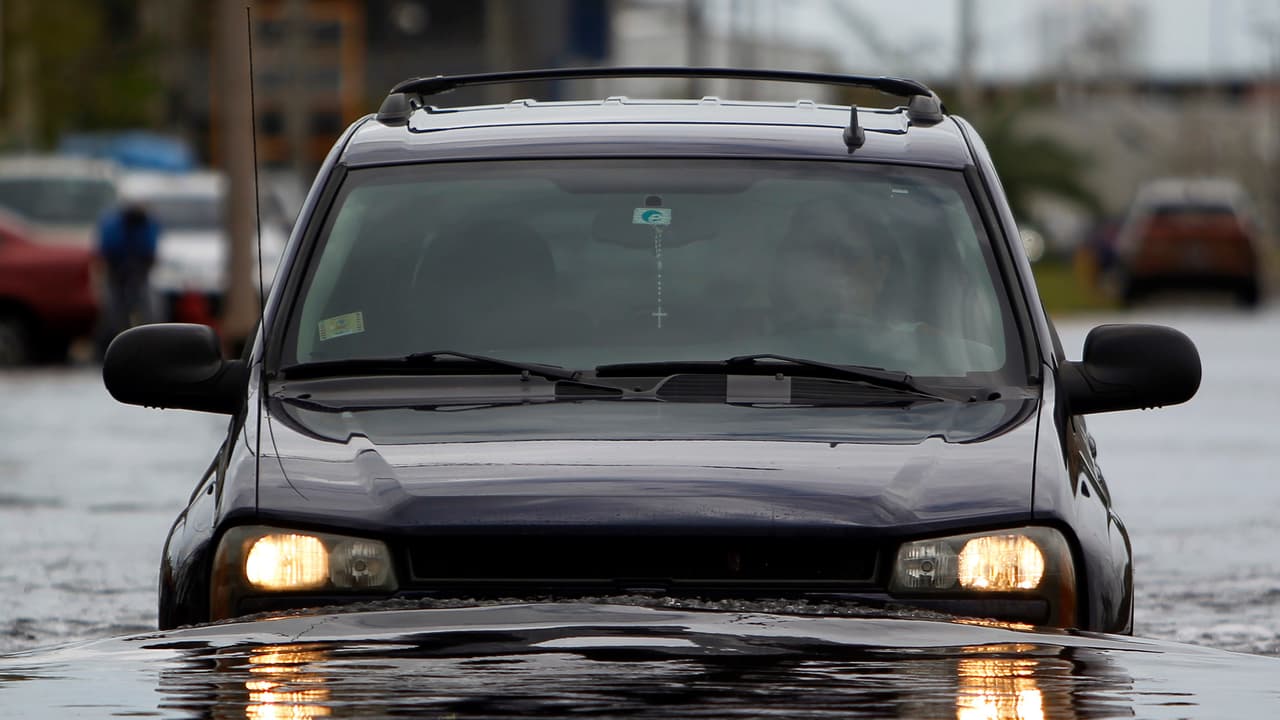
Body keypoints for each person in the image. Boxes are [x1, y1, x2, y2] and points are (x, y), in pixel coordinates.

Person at [94, 200, 161, 358]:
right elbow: (107, 249)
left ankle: (145, 340)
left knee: (142, 305)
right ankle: (112, 341)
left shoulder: (146, 225)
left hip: (139, 267)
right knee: (116, 309)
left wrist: (142, 266)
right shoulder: (114, 226)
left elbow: (150, 249)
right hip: (116, 268)